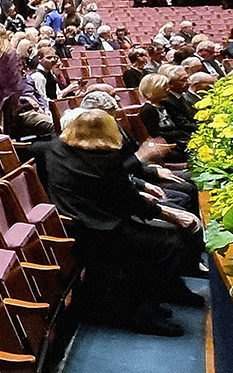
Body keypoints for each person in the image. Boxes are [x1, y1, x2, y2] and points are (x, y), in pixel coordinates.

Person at [39, 109, 201, 336]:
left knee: (167, 232)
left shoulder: (55, 148)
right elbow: (131, 203)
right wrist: (169, 215)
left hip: (78, 224)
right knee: (173, 242)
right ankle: (143, 313)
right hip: (100, 230)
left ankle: (164, 293)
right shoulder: (105, 159)